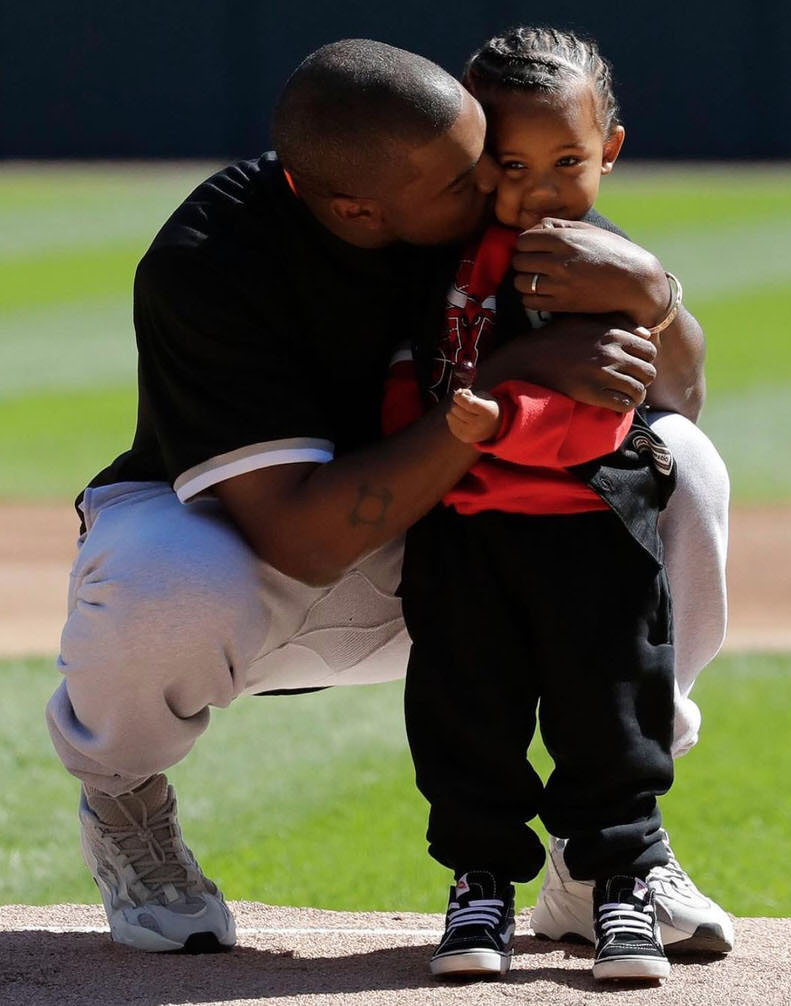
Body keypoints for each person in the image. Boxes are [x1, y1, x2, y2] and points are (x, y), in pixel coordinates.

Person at [45, 39, 729, 957]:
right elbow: (301, 539)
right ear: (355, 207)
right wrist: (510, 370)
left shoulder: (491, 211)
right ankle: (124, 795)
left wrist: (655, 294)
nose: (490, 181)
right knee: (164, 578)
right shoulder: (212, 260)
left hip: (457, 558)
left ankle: (604, 852)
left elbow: (673, 397)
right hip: (264, 566)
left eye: (486, 151)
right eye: (461, 177)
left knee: (678, 462)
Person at [383, 25, 722, 983]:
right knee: (463, 714)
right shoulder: (437, 260)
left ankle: (620, 885)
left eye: (567, 161)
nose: (535, 189)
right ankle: (479, 885)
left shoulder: (600, 265)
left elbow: (614, 412)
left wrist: (497, 418)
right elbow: (410, 379)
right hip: (461, 532)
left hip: (590, 528)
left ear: (609, 151)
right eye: (507, 162)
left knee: (609, 713)